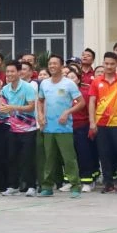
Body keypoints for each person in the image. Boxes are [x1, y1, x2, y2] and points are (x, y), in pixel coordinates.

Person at [36, 54, 83, 199]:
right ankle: (47, 186)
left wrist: (67, 112)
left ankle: (75, 186)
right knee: (49, 159)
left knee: (69, 158)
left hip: (64, 128)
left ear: (62, 66)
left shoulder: (69, 83)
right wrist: (41, 115)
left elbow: (81, 102)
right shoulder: (44, 84)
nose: (52, 66)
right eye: (50, 64)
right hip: (48, 127)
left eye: (55, 63)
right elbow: (40, 101)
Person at [89, 51, 117, 193]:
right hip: (101, 123)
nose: (109, 66)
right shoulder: (96, 81)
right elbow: (91, 102)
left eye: (112, 64)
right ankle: (108, 184)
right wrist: (92, 122)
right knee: (104, 154)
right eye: (106, 63)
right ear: (103, 63)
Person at [0, 61, 39, 197]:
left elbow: (31, 107)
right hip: (12, 129)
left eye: (12, 71)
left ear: (18, 72)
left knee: (28, 158)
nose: (9, 74)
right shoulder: (5, 89)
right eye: (8, 71)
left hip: (28, 129)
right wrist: (5, 109)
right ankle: (13, 185)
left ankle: (31, 186)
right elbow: (3, 107)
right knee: (11, 158)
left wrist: (13, 107)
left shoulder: (28, 87)